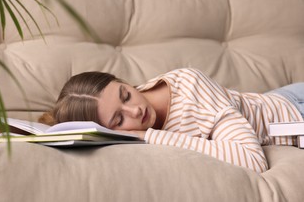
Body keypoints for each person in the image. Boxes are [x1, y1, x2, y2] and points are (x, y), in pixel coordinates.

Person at [40, 68, 304, 173]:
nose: (135, 111)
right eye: (119, 119)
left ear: (124, 82)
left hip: (294, 109)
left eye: (126, 94)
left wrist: (147, 135)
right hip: (268, 101)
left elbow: (252, 160)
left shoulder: (191, 87)